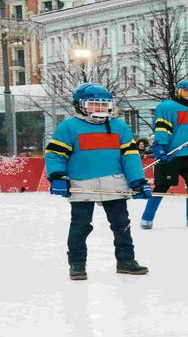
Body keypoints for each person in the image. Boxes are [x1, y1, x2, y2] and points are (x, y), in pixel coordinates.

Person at [44, 83, 152, 280]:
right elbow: (55, 155)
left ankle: (126, 260)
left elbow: (130, 156)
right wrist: (57, 176)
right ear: (80, 105)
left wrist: (137, 181)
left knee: (122, 225)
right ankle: (77, 264)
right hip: (81, 186)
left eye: (104, 105)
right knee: (80, 226)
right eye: (95, 104)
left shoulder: (119, 126)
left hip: (115, 184)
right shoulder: (68, 127)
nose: (101, 109)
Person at [139, 79, 188, 229]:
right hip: (170, 153)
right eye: (185, 90)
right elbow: (162, 128)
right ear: (179, 90)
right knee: (162, 186)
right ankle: (146, 218)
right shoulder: (166, 107)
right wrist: (159, 147)